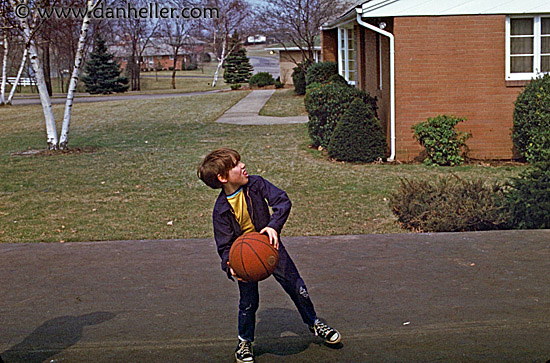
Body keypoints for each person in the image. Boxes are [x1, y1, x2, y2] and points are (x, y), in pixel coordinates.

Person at [197, 148, 341, 363]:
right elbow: (224, 246)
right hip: (245, 257)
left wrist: (273, 226)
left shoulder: (256, 184)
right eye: (236, 164)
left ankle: (314, 323)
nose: (243, 165)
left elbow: (282, 201)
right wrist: (231, 266)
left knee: (296, 286)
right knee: (248, 302)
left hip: (270, 246)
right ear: (222, 177)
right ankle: (244, 341)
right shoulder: (220, 211)